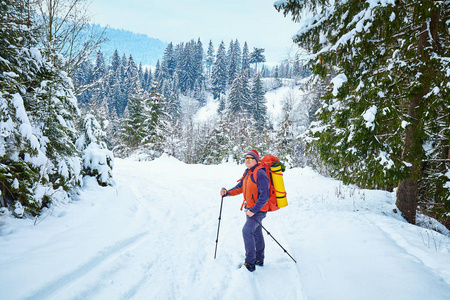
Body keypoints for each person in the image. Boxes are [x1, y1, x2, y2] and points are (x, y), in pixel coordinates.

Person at [220, 149, 270, 272]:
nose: (247, 160)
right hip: (250, 209)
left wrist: (253, 210)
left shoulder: (260, 174)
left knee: (247, 231)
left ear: (256, 160)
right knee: (256, 232)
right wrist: (227, 193)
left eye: (250, 158)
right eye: (246, 158)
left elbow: (265, 196)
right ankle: (259, 259)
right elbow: (240, 187)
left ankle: (250, 263)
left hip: (258, 210)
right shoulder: (248, 172)